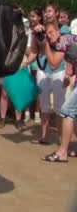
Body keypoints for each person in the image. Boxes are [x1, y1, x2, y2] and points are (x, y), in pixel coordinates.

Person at [36, 22, 77, 163]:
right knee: (73, 112)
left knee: (67, 110)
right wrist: (69, 75)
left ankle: (62, 152)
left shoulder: (63, 40)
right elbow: (72, 60)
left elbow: (53, 64)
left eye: (52, 32)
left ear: (59, 32)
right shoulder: (69, 39)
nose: (49, 35)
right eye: (47, 34)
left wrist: (45, 45)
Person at [29, 4, 66, 142]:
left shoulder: (65, 29)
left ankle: (63, 138)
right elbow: (34, 51)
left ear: (56, 13)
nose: (47, 13)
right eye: (46, 11)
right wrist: (25, 62)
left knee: (59, 106)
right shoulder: (39, 30)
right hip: (43, 70)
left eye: (50, 11)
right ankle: (44, 136)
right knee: (44, 104)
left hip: (59, 70)